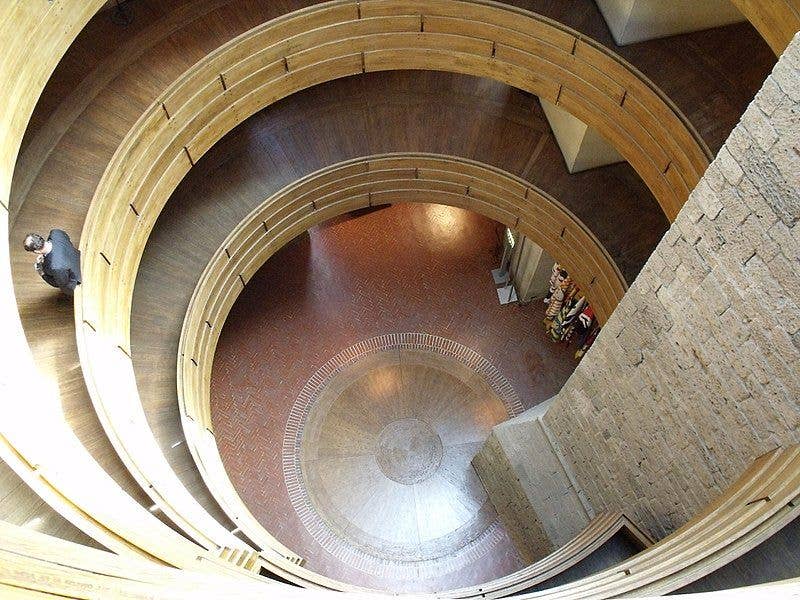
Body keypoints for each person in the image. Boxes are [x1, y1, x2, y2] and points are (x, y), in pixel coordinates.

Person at [23, 230, 82, 296]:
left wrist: (42, 273)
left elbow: (59, 283)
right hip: (78, 256)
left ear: (37, 251)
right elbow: (67, 239)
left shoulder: (55, 267)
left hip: (78, 275)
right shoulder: (56, 233)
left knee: (66, 289)